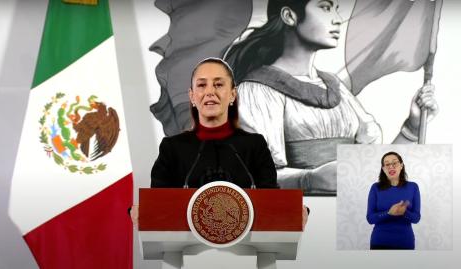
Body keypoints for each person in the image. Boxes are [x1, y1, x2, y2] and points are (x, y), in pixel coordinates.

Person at [225, 0, 438, 195]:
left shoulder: (337, 90)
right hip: (301, 223)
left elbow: (373, 171)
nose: (337, 18)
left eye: (336, 8)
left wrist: (411, 127)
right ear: (290, 16)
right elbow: (252, 179)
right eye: (325, 7)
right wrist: (309, 179)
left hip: (350, 220)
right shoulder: (257, 91)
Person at [131, 57, 309, 228]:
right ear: (192, 96)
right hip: (186, 255)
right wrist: (140, 211)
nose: (210, 92)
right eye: (202, 85)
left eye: (218, 84)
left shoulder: (255, 146)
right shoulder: (172, 148)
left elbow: (271, 202)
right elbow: (158, 205)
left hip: (247, 252)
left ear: (232, 94)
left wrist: (293, 211)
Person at [366, 152, 421, 249]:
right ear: (383, 169)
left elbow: (416, 218)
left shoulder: (413, 187)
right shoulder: (375, 188)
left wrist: (404, 212)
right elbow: (370, 219)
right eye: (387, 164)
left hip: (405, 242)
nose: (391, 166)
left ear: (401, 165)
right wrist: (389, 213)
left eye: (394, 163)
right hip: (380, 242)